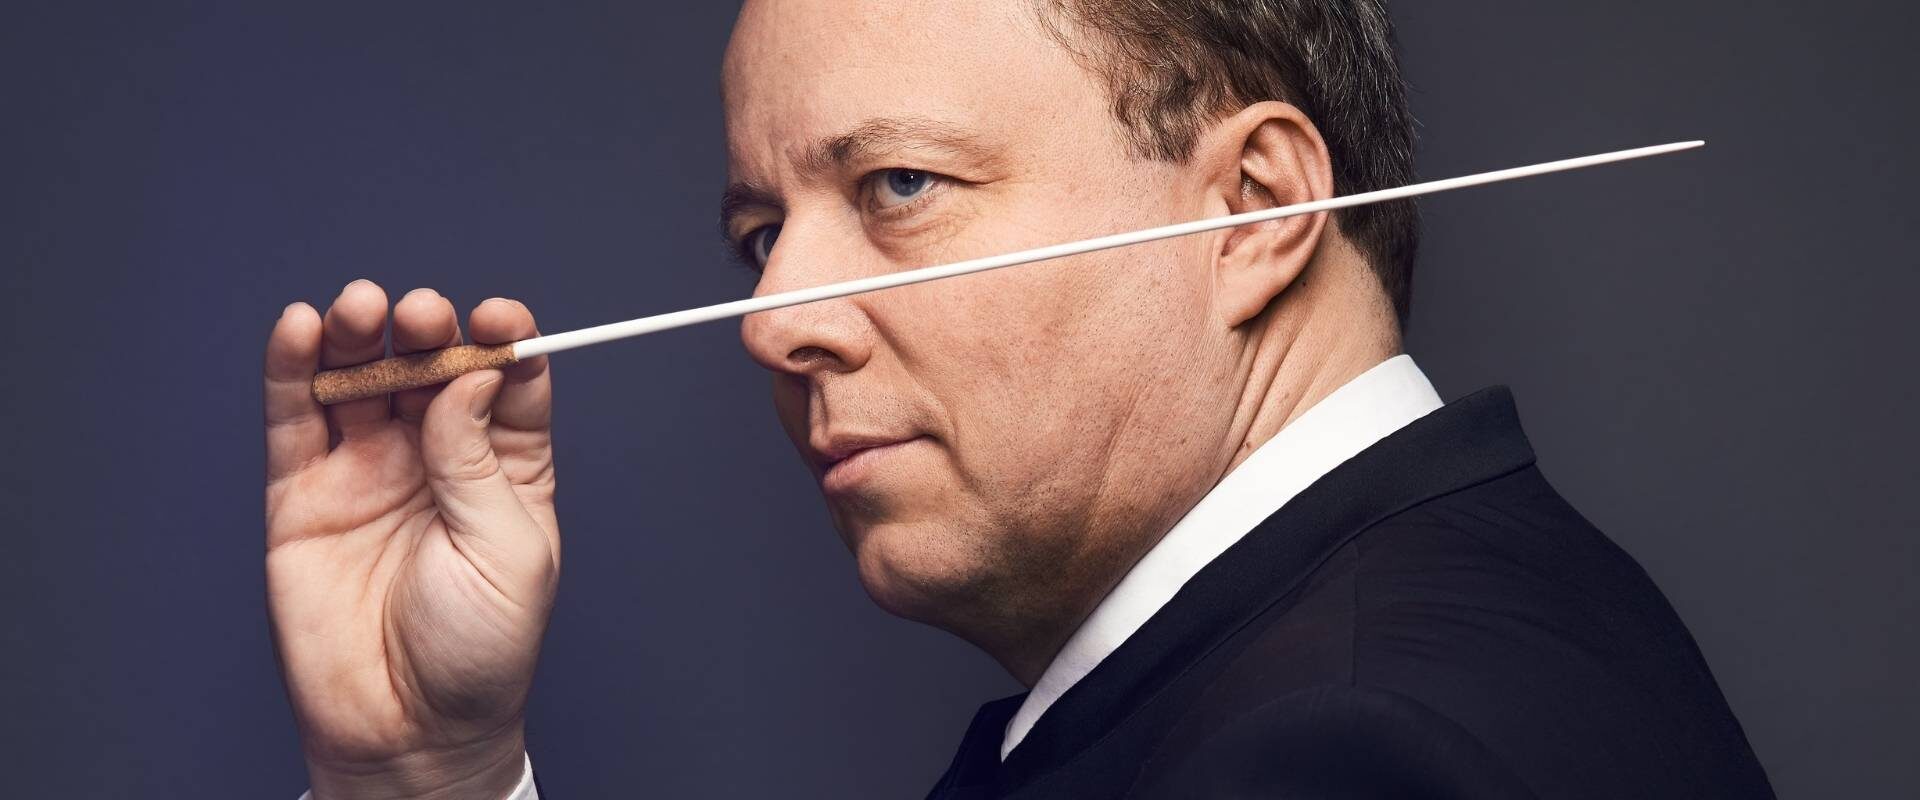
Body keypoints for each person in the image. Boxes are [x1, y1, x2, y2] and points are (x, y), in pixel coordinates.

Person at [261, 1, 1774, 797]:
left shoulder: (1336, 750)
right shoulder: (1451, 618)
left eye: (899, 185)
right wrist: (424, 782)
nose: (773, 320)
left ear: (1252, 210)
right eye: (760, 235)